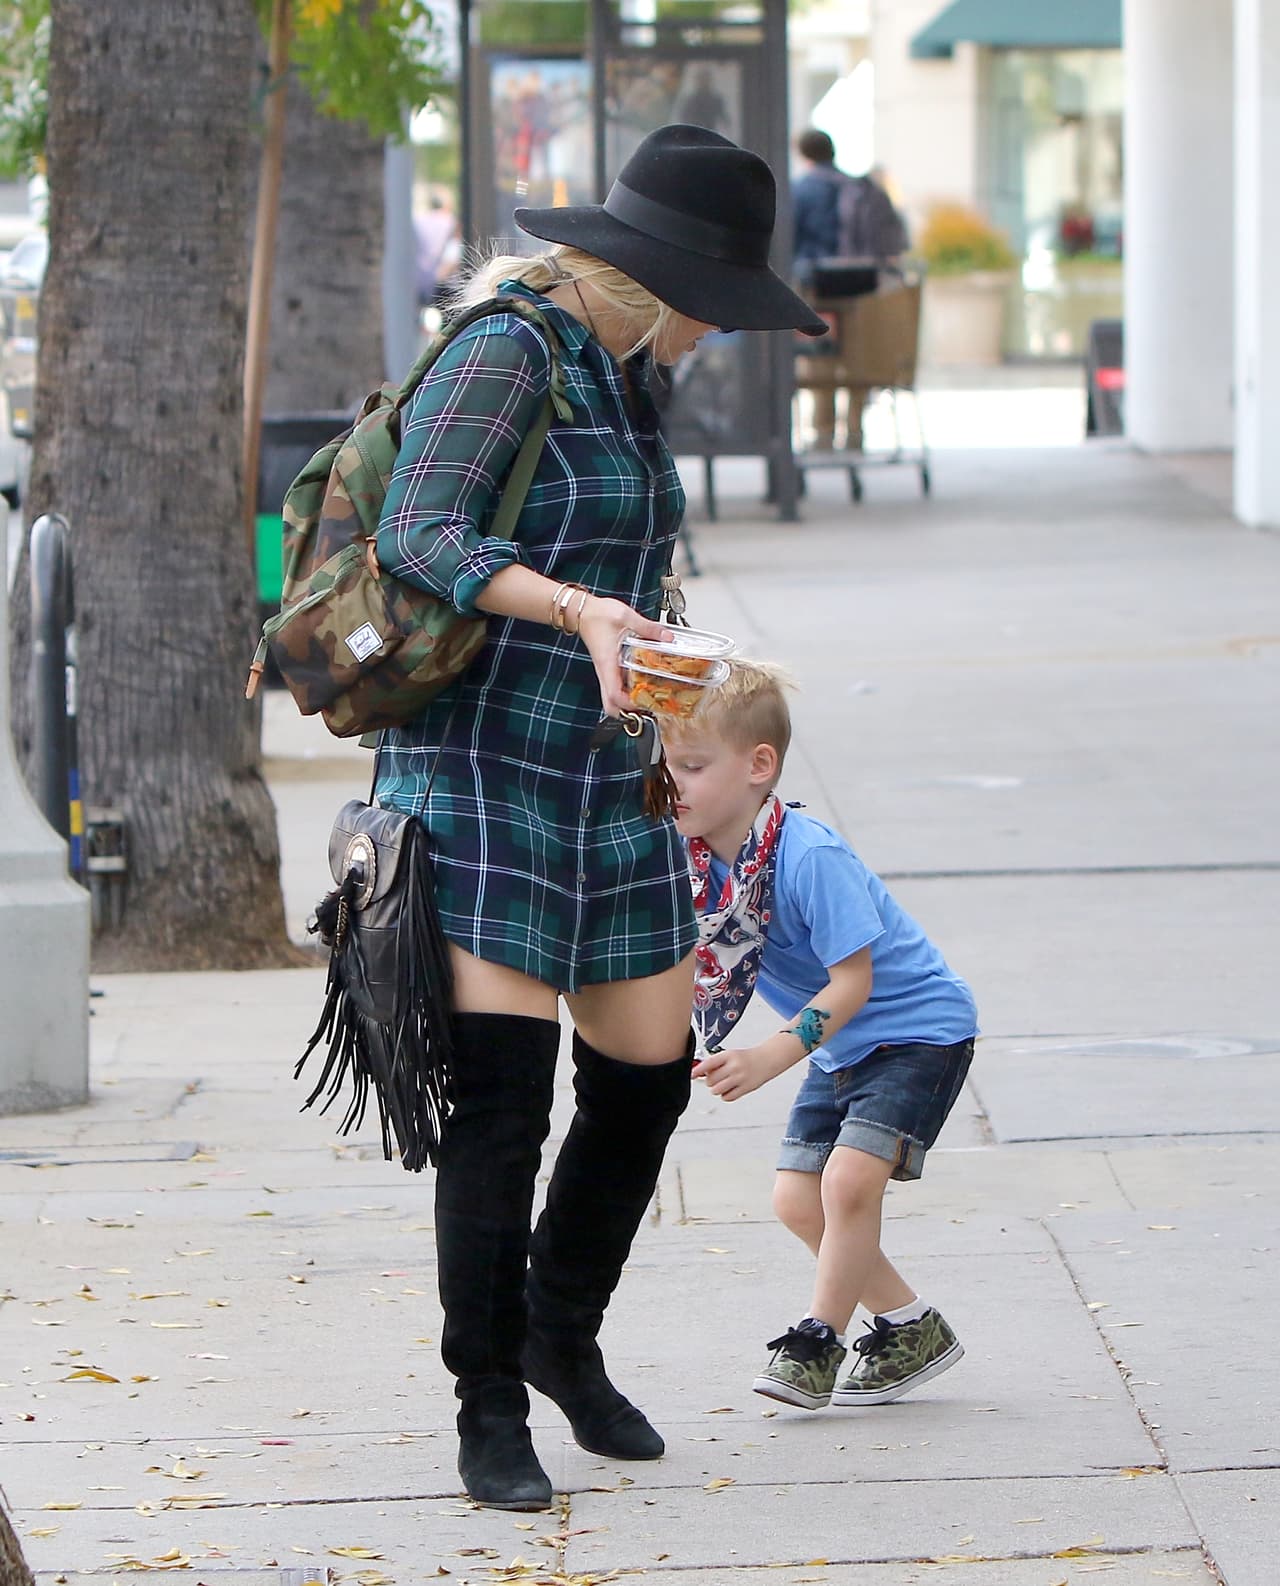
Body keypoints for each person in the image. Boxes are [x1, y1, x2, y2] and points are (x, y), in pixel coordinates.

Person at [372, 126, 826, 1512]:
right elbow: (419, 530)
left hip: (611, 774)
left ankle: (559, 1330)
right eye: (710, 299)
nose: (714, 326)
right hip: (482, 766)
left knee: (642, 1075)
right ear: (648, 276)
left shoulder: (626, 371)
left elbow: (620, 560)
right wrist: (574, 609)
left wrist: (670, 659)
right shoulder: (506, 348)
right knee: (502, 1107)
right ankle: (488, 1398)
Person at [664, 660, 978, 1412]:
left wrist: (770, 1057)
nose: (672, 783)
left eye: (692, 766)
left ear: (758, 766)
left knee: (847, 1184)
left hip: (917, 1033)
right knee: (796, 1200)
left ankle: (817, 1341)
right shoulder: (701, 862)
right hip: (840, 1046)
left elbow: (852, 983)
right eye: (665, 766)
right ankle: (911, 1327)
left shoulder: (809, 856)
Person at [791, 130, 909, 451]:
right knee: (859, 356)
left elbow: (789, 241)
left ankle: (823, 431)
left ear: (804, 154)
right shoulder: (862, 188)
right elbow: (896, 244)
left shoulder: (801, 189)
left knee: (820, 357)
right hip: (863, 289)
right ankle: (855, 431)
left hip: (817, 287)